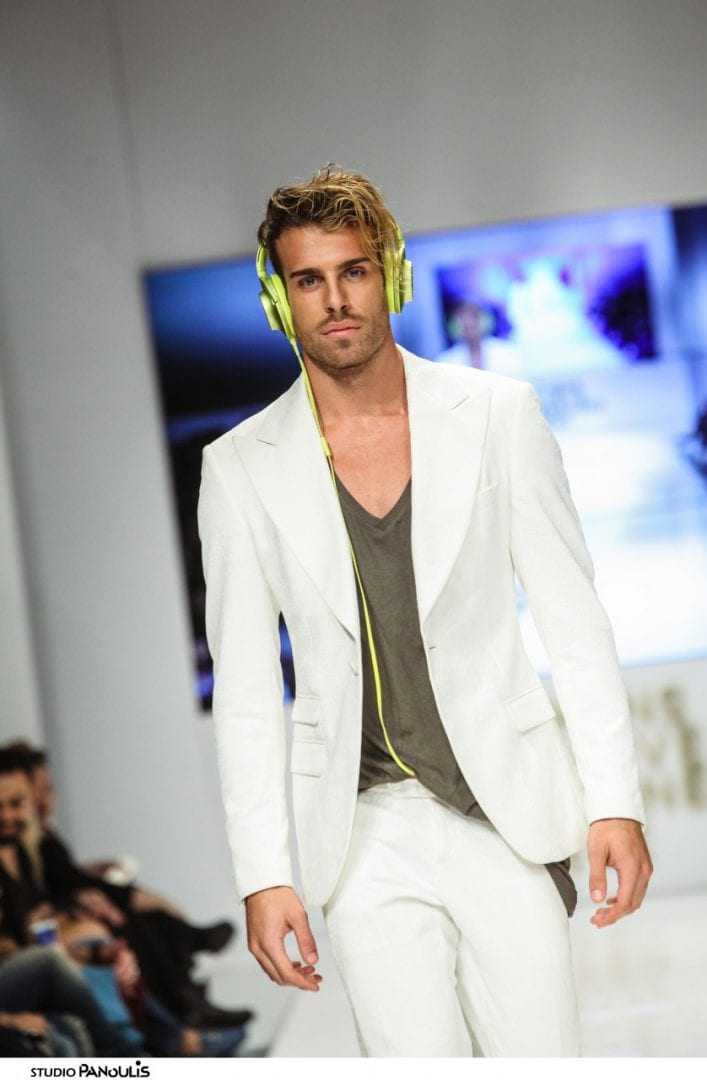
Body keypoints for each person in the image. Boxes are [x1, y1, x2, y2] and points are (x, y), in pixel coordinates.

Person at [197, 163, 653, 1057]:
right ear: (278, 299)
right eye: (308, 280)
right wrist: (263, 876)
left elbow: (574, 622)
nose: (335, 300)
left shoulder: (496, 415)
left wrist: (614, 803)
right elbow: (246, 693)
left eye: (354, 271)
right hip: (360, 831)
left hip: (500, 811)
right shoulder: (240, 467)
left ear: (392, 275)